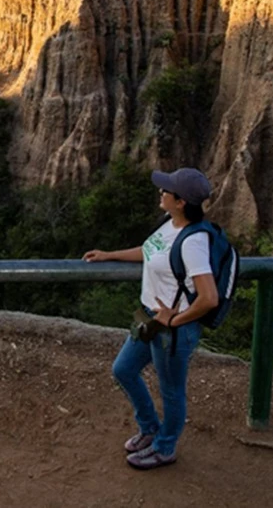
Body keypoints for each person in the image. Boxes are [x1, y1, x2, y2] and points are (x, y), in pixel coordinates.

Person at [83, 167, 218, 470]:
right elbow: (149, 251)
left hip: (173, 330)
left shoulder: (193, 241)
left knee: (171, 391)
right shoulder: (169, 224)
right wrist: (109, 255)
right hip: (149, 318)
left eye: (166, 190)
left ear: (181, 201)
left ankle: (165, 448)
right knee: (123, 369)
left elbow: (209, 297)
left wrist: (175, 319)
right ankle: (149, 428)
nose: (161, 192)